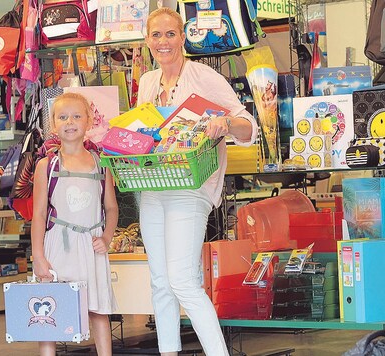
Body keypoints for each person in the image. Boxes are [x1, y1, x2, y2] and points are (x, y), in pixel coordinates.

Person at [136, 8, 258, 356]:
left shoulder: (203, 77)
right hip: (153, 187)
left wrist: (225, 123)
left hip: (191, 189)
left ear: (183, 38)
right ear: (147, 41)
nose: (163, 42)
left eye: (170, 34)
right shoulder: (147, 82)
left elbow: (247, 126)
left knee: (183, 282)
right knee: (160, 282)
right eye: (156, 35)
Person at [31, 92, 119, 356]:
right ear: (53, 125)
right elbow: (38, 213)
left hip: (91, 248)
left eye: (77, 116)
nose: (70, 122)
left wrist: (107, 238)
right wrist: (38, 256)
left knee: (98, 309)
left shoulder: (101, 164)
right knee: (50, 311)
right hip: (57, 247)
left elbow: (111, 208)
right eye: (63, 117)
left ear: (89, 120)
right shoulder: (45, 166)